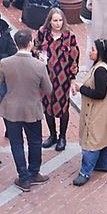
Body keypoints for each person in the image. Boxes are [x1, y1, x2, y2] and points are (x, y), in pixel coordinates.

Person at [0, 30, 52, 192]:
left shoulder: (5, 63)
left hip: (11, 109)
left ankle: (24, 177)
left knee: (17, 144)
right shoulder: (39, 65)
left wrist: (2, 104)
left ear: (16, 43)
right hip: (32, 109)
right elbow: (48, 90)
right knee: (35, 141)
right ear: (30, 44)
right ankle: (34, 172)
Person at [71, 38, 107, 187]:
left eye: (93, 49)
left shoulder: (100, 70)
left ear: (100, 53)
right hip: (106, 110)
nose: (90, 52)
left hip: (97, 111)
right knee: (104, 137)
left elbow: (99, 93)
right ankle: (102, 164)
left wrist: (81, 89)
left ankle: (85, 172)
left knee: (91, 141)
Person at [34, 9, 80, 153]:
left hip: (63, 78)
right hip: (46, 76)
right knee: (47, 106)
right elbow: (34, 47)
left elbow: (74, 58)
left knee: (62, 107)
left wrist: (73, 78)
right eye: (55, 20)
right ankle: (52, 135)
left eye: (60, 20)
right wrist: (38, 53)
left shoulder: (69, 36)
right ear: (49, 21)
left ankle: (62, 137)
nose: (58, 23)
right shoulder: (43, 33)